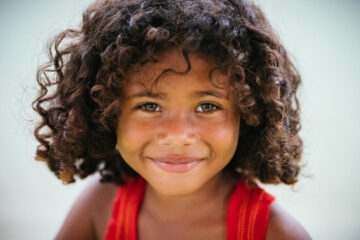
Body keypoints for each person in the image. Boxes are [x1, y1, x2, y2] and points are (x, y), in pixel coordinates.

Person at [33, 0, 311, 239]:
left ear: (250, 114)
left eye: (207, 106)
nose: (178, 134)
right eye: (150, 105)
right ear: (105, 110)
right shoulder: (102, 203)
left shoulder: (274, 233)